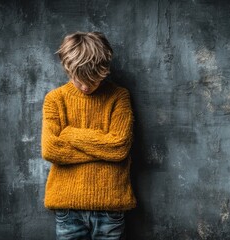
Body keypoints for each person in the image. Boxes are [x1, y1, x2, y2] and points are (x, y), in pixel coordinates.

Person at [41, 31, 136, 240]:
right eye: (79, 79)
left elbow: (119, 147)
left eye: (92, 80)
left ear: (104, 70)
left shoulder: (119, 97)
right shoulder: (55, 100)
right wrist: (103, 148)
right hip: (67, 209)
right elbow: (51, 150)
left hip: (110, 207)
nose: (85, 87)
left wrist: (70, 134)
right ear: (68, 68)